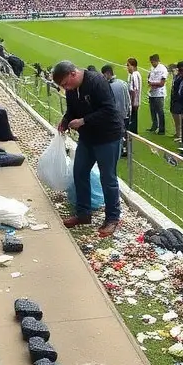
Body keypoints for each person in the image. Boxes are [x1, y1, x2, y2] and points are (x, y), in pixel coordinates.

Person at [53, 60, 124, 237]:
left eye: (65, 84)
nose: (66, 88)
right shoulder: (71, 90)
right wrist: (65, 121)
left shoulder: (96, 82)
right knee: (79, 172)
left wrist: (84, 121)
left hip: (107, 136)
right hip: (87, 138)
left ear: (73, 74)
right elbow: (72, 110)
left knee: (108, 178)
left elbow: (109, 110)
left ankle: (112, 218)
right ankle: (83, 213)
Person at [101, 64, 131, 156]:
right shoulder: (123, 83)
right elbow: (128, 99)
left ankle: (119, 149)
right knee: (124, 131)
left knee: (117, 133)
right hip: (125, 112)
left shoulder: (108, 86)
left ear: (107, 74)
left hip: (116, 114)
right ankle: (125, 149)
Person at [146, 53, 168, 135]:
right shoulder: (152, 68)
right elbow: (149, 77)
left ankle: (162, 129)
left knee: (160, 111)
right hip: (152, 93)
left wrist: (152, 84)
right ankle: (154, 126)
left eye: (153, 62)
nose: (152, 63)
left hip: (160, 94)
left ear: (157, 61)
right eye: (151, 62)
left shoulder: (163, 69)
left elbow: (162, 83)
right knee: (152, 111)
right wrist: (150, 82)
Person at [168, 63, 183, 142]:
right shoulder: (175, 77)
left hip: (178, 100)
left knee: (179, 117)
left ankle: (181, 135)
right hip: (174, 99)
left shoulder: (180, 77)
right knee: (174, 115)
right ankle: (177, 133)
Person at [126, 57, 142, 135]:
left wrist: (132, 101)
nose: (127, 67)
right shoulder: (135, 74)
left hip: (133, 101)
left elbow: (134, 90)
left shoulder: (134, 75)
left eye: (128, 65)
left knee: (132, 117)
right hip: (135, 100)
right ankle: (133, 132)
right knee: (134, 117)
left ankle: (133, 132)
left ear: (133, 66)